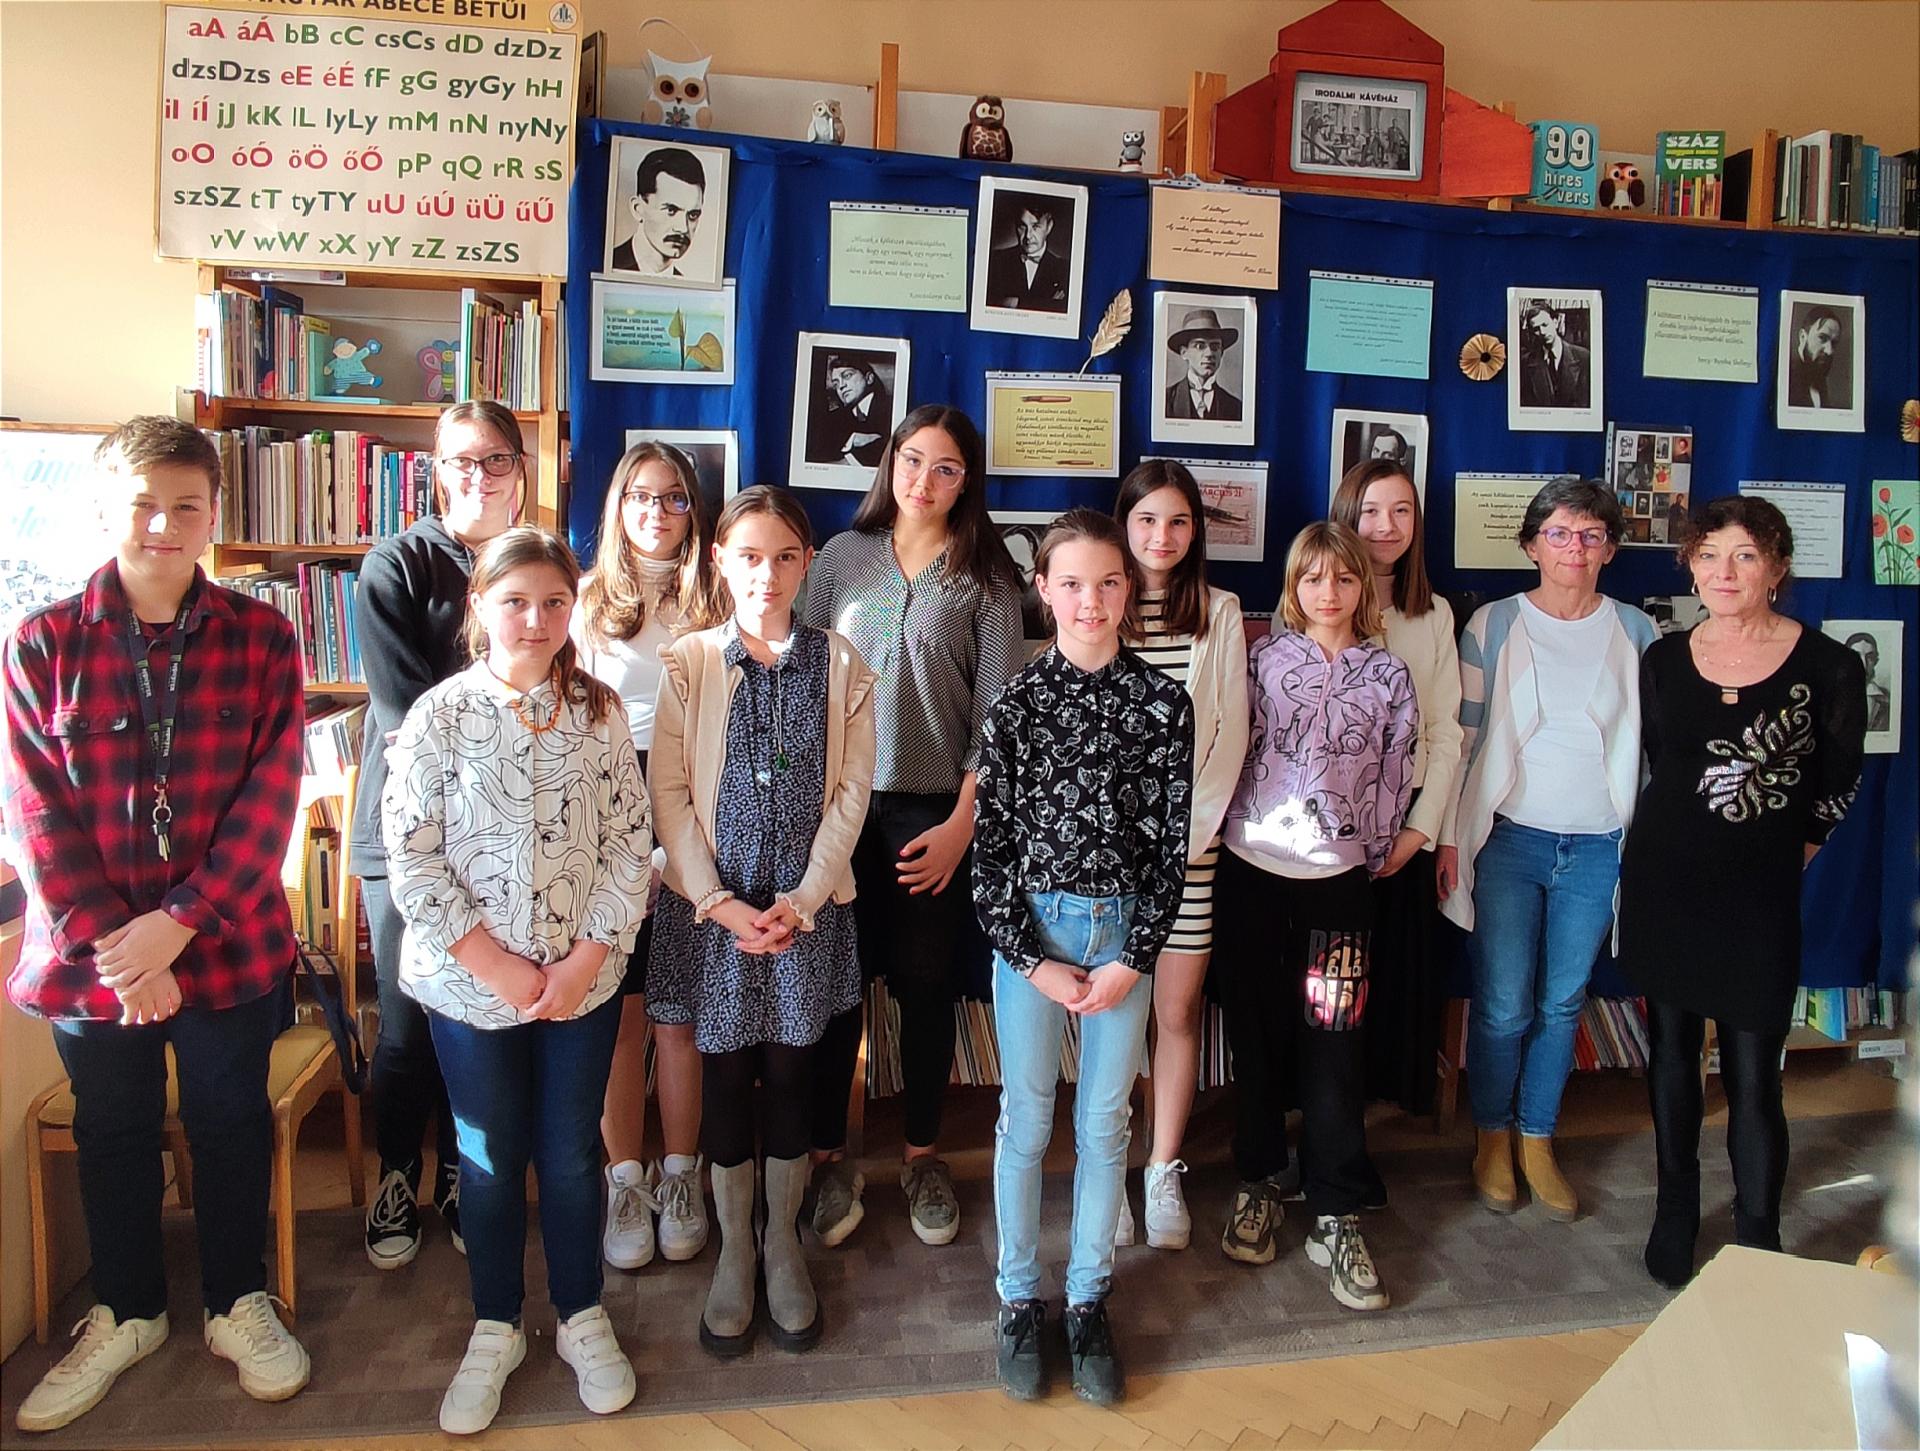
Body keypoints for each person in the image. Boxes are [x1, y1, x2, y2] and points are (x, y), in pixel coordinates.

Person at [7, 417, 310, 1434]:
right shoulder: (41, 643)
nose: (163, 524)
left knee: (230, 1122)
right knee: (115, 1129)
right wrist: (123, 948)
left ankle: (237, 1301)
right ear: (104, 509)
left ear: (214, 513)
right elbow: (36, 812)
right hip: (94, 960)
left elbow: (272, 795)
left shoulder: (263, 637)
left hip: (225, 940)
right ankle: (127, 1309)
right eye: (142, 503)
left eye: (186, 505)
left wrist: (177, 925)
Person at [383, 527, 653, 1435]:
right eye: (515, 601)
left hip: (582, 981)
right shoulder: (439, 716)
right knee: (489, 1156)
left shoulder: (600, 712)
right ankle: (496, 1323)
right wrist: (493, 963)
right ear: (479, 607)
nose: (535, 620)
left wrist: (584, 959)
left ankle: (580, 1312)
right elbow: (414, 860)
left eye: (552, 602)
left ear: (573, 606)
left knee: (571, 1151)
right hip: (470, 987)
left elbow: (630, 843)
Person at [647, 487, 875, 1358]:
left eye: (784, 557)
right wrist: (718, 902)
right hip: (716, 915)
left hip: (801, 917)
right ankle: (733, 1247)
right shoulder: (689, 662)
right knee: (724, 1073)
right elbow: (670, 792)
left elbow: (852, 791)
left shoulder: (841, 662)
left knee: (790, 1072)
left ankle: (781, 1240)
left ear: (807, 562)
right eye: (748, 556)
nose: (767, 574)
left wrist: (805, 899)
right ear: (720, 559)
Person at [975, 509, 1194, 1408]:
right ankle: (1018, 1296)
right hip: (1036, 935)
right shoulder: (1015, 706)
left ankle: (1088, 1298)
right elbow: (990, 857)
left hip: (1123, 941)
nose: (1091, 600)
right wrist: (1033, 961)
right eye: (1071, 583)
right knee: (1026, 1120)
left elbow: (1173, 851)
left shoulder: (1164, 705)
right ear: (1043, 589)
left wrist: (1133, 958)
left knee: (1105, 1125)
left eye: (1108, 582)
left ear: (1129, 588)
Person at [1621, 498, 1865, 1287]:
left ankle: (1759, 1229)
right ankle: (1676, 1210)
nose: (1723, 572)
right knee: (1672, 1056)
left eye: (1745, 556)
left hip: (1758, 896)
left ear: (1777, 567)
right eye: (1708, 556)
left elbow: (1838, 783)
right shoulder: (1662, 658)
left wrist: (1781, 850)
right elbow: (1663, 760)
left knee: (1755, 1072)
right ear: (1690, 566)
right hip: (1667, 881)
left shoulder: (1829, 665)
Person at [804, 407, 1022, 1249]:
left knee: (926, 992)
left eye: (946, 468)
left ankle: (923, 1156)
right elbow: (801, 671)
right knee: (834, 993)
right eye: (912, 459)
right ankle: (830, 1160)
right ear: (890, 462)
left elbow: (997, 718)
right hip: (837, 811)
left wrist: (965, 823)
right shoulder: (840, 558)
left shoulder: (987, 578)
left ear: (967, 482)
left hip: (933, 816)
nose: (923, 480)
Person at [1436, 479, 1656, 1223]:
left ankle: (1538, 1137)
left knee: (1563, 1002)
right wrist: (1448, 836)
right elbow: (1462, 741)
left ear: (1611, 549)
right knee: (1503, 1004)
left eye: (1592, 535)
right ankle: (1492, 1136)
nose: (1575, 549)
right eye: (1559, 534)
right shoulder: (1493, 624)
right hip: (1509, 841)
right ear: (1532, 545)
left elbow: (1649, 754)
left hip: (1597, 846)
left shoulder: (1636, 631)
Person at [1216, 521, 1415, 1310]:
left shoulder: (1389, 674)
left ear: (1363, 588)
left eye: (1343, 578)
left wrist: (1377, 845)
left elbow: (1398, 766)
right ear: (1293, 587)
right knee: (1257, 1031)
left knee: (1335, 1041)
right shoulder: (1264, 660)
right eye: (1312, 578)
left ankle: (1335, 1206)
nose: (1328, 592)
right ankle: (1261, 1177)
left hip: (1340, 883)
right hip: (1252, 874)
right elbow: (1232, 747)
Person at [353, 400, 528, 1271]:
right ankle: (397, 1171)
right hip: (408, 837)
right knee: (407, 1025)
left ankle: (464, 1172)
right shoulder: (395, 566)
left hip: (511, 840)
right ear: (435, 469)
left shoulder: (536, 562)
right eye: (463, 459)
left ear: (520, 469)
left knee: (485, 1018)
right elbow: (405, 720)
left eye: (496, 459)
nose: (480, 475)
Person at [574, 442, 727, 1273]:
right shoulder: (587, 599)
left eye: (673, 497)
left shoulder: (717, 595)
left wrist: (683, 841)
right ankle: (625, 1180)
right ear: (618, 505)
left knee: (679, 1015)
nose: (657, 511)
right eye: (641, 495)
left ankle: (680, 1173)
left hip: (695, 804)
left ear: (692, 510)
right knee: (620, 1011)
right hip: (609, 809)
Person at [1107, 461, 1248, 1250]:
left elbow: (1229, 735)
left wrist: (1181, 842)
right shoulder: (1100, 599)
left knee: (1177, 1012)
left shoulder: (1218, 611)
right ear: (1124, 524)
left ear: (1195, 531)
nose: (1162, 536)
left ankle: (1163, 1168)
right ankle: (1108, 1172)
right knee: (1112, 1017)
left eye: (1178, 522)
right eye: (1147, 519)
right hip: (1104, 855)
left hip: (1188, 852)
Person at [1330, 460, 1464, 1127]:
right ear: (1345, 516)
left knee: (1390, 981)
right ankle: (1326, 1117)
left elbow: (1445, 734)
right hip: (1328, 831)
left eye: (1401, 510)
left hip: (1405, 828)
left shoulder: (1432, 614)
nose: (1386, 526)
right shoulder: (1320, 599)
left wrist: (1421, 832)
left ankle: (1369, 1123)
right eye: (1371, 510)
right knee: (1331, 983)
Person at [611, 145, 706, 276]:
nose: (683, 228)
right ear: (638, 209)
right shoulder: (607, 264)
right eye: (671, 210)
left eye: (693, 215)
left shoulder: (688, 284)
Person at [983, 197, 1070, 312]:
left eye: (1036, 227)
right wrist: (1047, 303)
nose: (1028, 236)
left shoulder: (1065, 269)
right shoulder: (995, 260)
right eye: (1022, 226)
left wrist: (1016, 303)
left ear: (1049, 227)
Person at [805, 356, 893, 468]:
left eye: (847, 376)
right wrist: (852, 440)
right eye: (836, 384)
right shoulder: (834, 420)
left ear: (869, 378)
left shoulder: (891, 408)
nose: (841, 386)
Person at [1162, 309, 1243, 422]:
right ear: (1184, 353)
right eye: (1199, 346)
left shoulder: (1235, 407)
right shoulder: (1164, 400)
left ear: (1221, 353)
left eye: (1215, 347)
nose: (1209, 354)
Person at [1517, 302, 1591, 409]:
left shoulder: (1584, 357)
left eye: (1545, 325)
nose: (1542, 332)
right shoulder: (1525, 363)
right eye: (1536, 329)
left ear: (1555, 322)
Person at [1785, 306, 1843, 408]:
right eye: (1822, 338)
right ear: (1803, 337)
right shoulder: (1785, 378)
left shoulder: (1821, 383)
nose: (1829, 351)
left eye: (1834, 343)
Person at [1844, 631, 1892, 732]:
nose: (1863, 665)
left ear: (1876, 661)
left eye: (1869, 657)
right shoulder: (1831, 696)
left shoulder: (1886, 699)